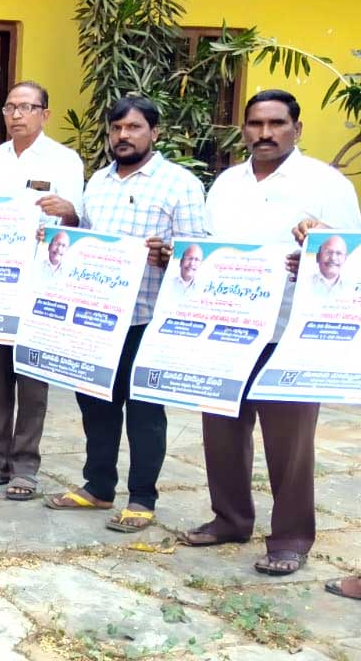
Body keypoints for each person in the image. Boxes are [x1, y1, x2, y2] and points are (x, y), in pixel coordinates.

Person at [181, 89, 361, 575]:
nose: (265, 133)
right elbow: (209, 248)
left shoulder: (325, 184)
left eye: (277, 123)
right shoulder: (226, 183)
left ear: (296, 129)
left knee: (290, 444)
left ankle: (290, 538)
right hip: (228, 327)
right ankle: (230, 519)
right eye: (256, 124)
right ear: (244, 130)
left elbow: (350, 258)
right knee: (221, 429)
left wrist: (317, 256)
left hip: (290, 334)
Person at [44, 96, 207, 533]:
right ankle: (98, 486)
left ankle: (141, 498)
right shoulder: (98, 182)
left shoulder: (180, 184)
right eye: (116, 128)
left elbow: (197, 257)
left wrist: (169, 256)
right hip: (97, 317)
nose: (123, 136)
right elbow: (86, 242)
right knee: (96, 405)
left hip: (147, 318)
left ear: (154, 132)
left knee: (144, 413)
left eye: (133, 128)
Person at [0, 80, 82, 501]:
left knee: (32, 378)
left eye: (26, 107)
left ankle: (26, 465)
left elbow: (78, 222)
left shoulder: (65, 161)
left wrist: (69, 212)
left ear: (45, 114)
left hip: (41, 284)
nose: (16, 114)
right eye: (10, 107)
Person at [310, 235, 349, 299]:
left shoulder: (353, 287)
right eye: (328, 252)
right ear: (318, 257)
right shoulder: (303, 283)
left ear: (345, 259)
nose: (333, 258)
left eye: (339, 253)